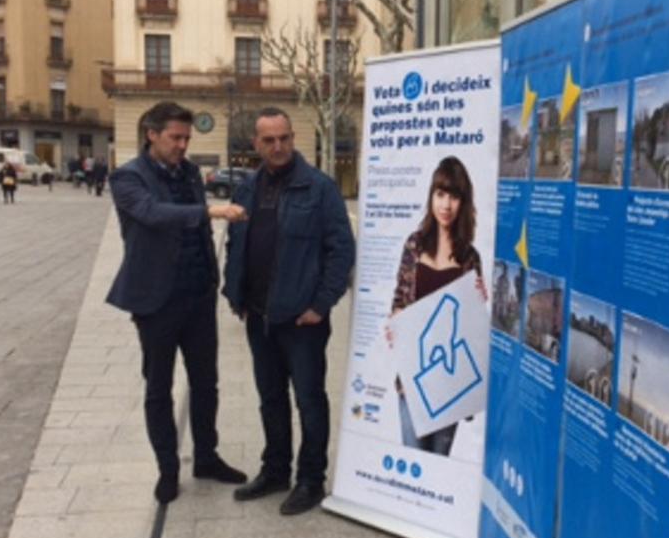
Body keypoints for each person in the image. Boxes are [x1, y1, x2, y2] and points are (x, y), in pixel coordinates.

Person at [106, 101, 249, 504]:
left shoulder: (188, 173)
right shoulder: (127, 177)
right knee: (159, 387)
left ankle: (206, 456)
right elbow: (152, 214)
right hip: (156, 300)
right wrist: (211, 212)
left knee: (207, 383)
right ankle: (167, 469)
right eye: (176, 137)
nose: (183, 145)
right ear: (151, 134)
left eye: (187, 138)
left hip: (197, 294)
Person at [223, 107, 355, 515]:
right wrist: (236, 295)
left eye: (284, 138)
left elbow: (342, 250)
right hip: (259, 316)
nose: (278, 147)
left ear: (293, 138)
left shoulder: (319, 188)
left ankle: (311, 479)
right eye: (269, 140)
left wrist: (321, 304)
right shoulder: (247, 188)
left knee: (309, 399)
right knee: (270, 399)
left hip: (302, 321)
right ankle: (275, 470)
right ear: (255, 144)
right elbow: (236, 243)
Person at [387, 156, 487, 456]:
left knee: (438, 465)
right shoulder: (414, 246)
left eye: (454, 196)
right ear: (431, 196)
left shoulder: (470, 257)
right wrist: (396, 323)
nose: (446, 205)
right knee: (413, 460)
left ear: (463, 202)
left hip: (450, 381)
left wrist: (482, 300)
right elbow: (399, 301)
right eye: (440, 194)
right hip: (414, 374)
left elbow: (472, 324)